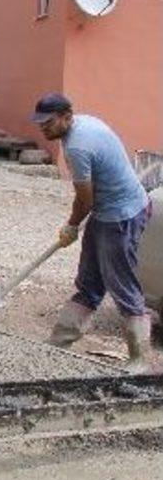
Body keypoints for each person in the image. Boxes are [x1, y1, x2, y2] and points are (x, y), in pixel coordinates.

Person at [35, 93, 153, 373]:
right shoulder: (82, 125)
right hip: (105, 211)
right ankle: (58, 342)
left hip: (122, 215)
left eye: (48, 122)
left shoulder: (78, 146)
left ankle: (140, 359)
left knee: (122, 284)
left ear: (66, 117)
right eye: (40, 123)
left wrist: (71, 225)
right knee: (89, 282)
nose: (43, 128)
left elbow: (84, 199)